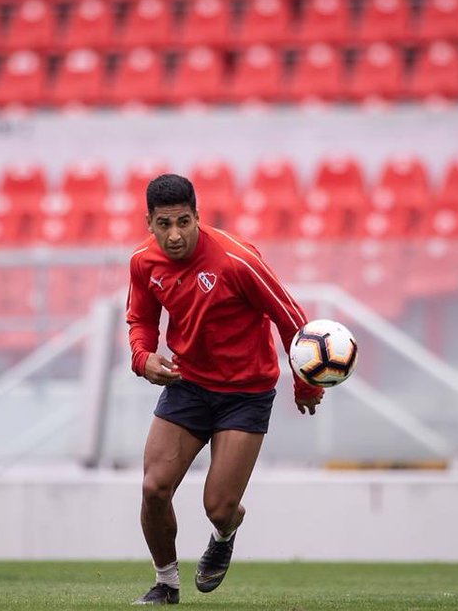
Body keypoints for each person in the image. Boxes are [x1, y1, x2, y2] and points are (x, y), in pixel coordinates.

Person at [127, 173, 323, 605]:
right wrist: (143, 359)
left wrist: (305, 383)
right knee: (153, 488)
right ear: (149, 223)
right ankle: (166, 583)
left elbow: (290, 317)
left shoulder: (237, 259)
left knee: (217, 506)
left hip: (245, 393)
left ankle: (226, 528)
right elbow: (141, 321)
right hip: (188, 385)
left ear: (197, 216)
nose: (174, 235)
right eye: (164, 225)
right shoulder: (143, 262)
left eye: (183, 222)